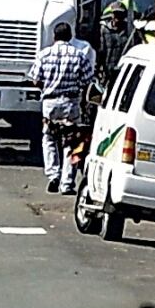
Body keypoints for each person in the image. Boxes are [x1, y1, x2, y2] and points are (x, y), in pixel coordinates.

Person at [33, 15, 99, 197]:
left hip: (50, 103)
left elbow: (35, 80)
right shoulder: (79, 55)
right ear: (70, 37)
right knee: (70, 143)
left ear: (54, 36)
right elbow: (88, 80)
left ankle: (53, 174)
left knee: (49, 139)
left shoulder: (44, 55)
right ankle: (67, 183)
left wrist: (47, 86)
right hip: (71, 103)